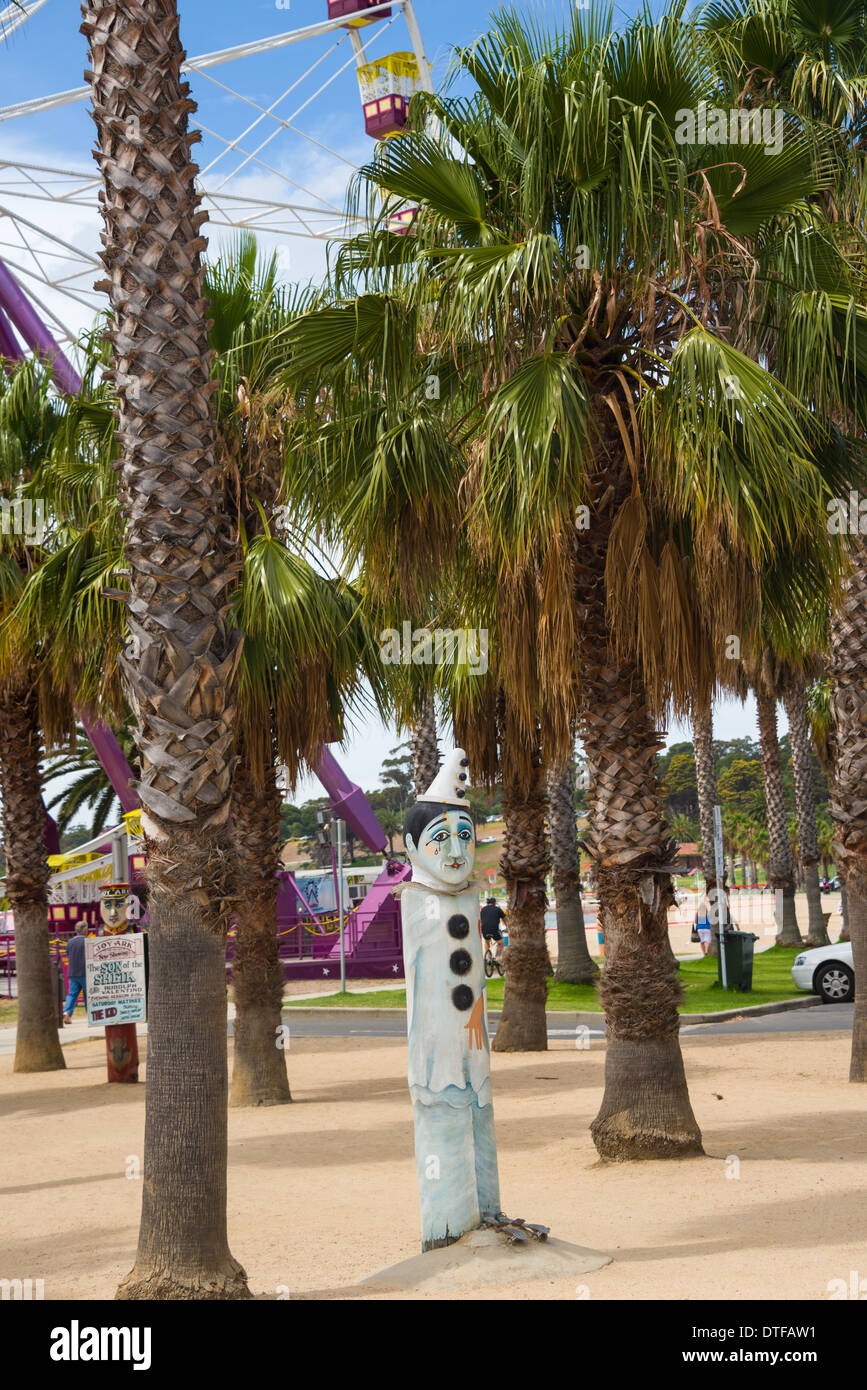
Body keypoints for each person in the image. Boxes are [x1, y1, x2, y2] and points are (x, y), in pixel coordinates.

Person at [63, 923, 88, 1023]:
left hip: (72, 972)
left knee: (72, 994)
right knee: (88, 994)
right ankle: (90, 1014)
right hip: (85, 972)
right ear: (85, 930)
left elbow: (68, 954)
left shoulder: (70, 942)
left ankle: (67, 1013)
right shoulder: (87, 941)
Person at [480, 896, 507, 965]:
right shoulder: (498, 909)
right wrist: (508, 927)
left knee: (486, 942)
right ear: (494, 903)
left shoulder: (483, 909)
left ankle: (488, 958)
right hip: (494, 929)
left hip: (484, 929)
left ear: (487, 903)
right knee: (501, 943)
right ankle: (497, 958)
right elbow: (505, 920)